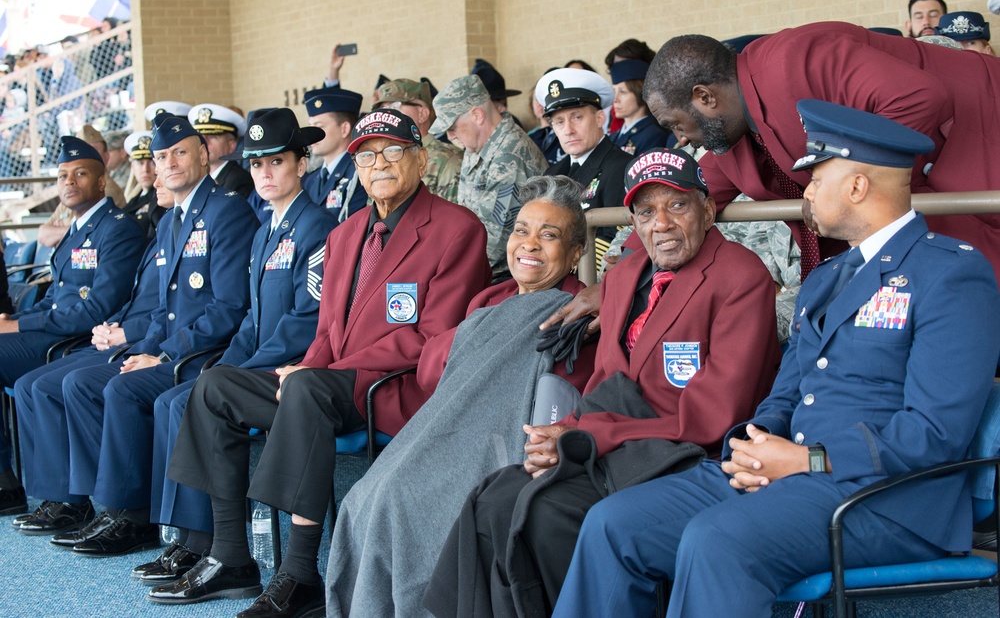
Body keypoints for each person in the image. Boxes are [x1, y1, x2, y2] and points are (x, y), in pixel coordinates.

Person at [552, 100, 1000, 618]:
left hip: (887, 499)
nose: (805, 193)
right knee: (615, 524)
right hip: (793, 475)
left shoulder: (949, 275)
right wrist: (755, 444)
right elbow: (787, 392)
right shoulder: (828, 279)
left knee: (716, 540)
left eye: (816, 179)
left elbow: (934, 432)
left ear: (856, 187)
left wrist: (808, 461)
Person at [158, 109, 490, 616]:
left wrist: (321, 374)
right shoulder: (345, 233)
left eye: (393, 151)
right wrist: (308, 365)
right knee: (215, 386)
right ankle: (231, 555)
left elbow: (431, 339)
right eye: (365, 155)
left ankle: (300, 574)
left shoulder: (456, 229)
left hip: (393, 389)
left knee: (307, 390)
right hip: (329, 383)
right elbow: (327, 330)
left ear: (421, 159)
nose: (378, 164)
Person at [425, 147, 783, 617]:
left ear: (708, 208)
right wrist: (563, 431)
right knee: (493, 499)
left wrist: (584, 435)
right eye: (646, 211)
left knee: (550, 512)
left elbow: (714, 416)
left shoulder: (740, 275)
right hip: (616, 445)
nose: (661, 224)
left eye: (677, 205)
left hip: (686, 454)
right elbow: (604, 382)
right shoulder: (626, 275)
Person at [327, 175, 597, 617]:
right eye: (521, 231)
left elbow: (561, 396)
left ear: (574, 253)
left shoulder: (576, 314)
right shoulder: (489, 298)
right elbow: (437, 376)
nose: (529, 245)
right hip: (444, 432)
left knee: (403, 503)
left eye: (549, 236)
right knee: (364, 497)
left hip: (500, 446)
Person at [130, 107, 339, 587]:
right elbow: (251, 319)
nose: (265, 173)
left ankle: (220, 548)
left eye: (277, 162)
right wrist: (225, 367)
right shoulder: (265, 227)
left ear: (301, 164)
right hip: (259, 367)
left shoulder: (318, 228)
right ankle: (209, 544)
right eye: (257, 164)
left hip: (294, 373)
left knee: (195, 398)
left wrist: (238, 372)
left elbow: (305, 323)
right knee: (194, 392)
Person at [45, 112, 259, 557]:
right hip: (175, 349)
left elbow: (230, 308)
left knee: (127, 391)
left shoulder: (226, 211)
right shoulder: (170, 221)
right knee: (89, 379)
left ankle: (134, 517)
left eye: (180, 152)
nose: (170, 163)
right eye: (162, 156)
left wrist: (163, 357)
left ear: (202, 154)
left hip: (208, 353)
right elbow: (164, 309)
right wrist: (141, 349)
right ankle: (117, 510)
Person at [644, 22, 1000, 280]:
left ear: (705, 97)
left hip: (982, 142)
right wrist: (630, 264)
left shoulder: (795, 58)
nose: (682, 139)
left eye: (676, 124)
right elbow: (692, 189)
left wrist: (838, 185)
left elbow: (918, 97)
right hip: (949, 210)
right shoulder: (737, 129)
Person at [12, 175, 171, 535]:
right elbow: (135, 300)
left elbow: (178, 308)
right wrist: (114, 326)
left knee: (73, 384)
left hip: (152, 343)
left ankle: (114, 506)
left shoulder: (135, 228)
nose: (156, 177)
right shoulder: (165, 227)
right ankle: (66, 498)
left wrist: (126, 332)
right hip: (122, 336)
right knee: (32, 385)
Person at [0, 136, 145, 516]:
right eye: (63, 175)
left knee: (33, 382)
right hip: (52, 329)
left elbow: (95, 307)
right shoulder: (75, 230)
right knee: (29, 383)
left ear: (101, 182)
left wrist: (19, 326)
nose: (68, 181)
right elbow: (56, 297)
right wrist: (14, 320)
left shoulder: (118, 228)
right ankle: (25, 484)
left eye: (80, 174)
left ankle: (11, 483)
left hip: (74, 336)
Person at [431, 75, 546, 282]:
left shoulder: (510, 155)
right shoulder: (476, 146)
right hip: (476, 270)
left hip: (507, 278)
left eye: (452, 128)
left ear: (477, 115)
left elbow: (494, 245)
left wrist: (444, 273)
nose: (450, 137)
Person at [534, 68, 631, 261]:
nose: (568, 130)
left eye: (577, 117)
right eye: (559, 122)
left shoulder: (621, 167)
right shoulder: (552, 173)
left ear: (599, 119)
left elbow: (614, 240)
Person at [36, 125, 129, 248]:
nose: (83, 157)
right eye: (63, 176)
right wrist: (74, 232)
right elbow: (43, 234)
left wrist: (64, 231)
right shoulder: (72, 190)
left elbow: (95, 236)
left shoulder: (105, 189)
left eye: (92, 151)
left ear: (106, 156)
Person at [374, 78, 463, 203]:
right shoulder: (379, 160)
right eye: (382, 109)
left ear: (422, 114)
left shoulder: (449, 160)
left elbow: (453, 219)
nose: (387, 115)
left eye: (395, 107)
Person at [295, 86, 368, 222]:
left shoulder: (360, 173)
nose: (313, 134)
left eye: (320, 126)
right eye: (311, 126)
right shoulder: (311, 180)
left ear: (344, 129)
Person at [608, 59, 673, 155]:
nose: (615, 99)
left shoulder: (652, 135)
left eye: (622, 92)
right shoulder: (613, 137)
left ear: (640, 93)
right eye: (614, 92)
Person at [188, 103, 254, 197]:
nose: (204, 143)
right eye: (201, 137)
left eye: (212, 137)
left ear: (231, 146)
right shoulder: (200, 177)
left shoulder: (239, 181)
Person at [120, 130, 164, 240]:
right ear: (133, 168)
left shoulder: (163, 197)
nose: (146, 170)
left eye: (151, 162)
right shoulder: (134, 199)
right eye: (140, 163)